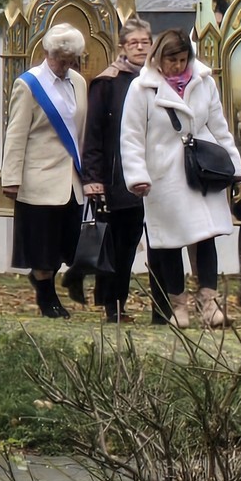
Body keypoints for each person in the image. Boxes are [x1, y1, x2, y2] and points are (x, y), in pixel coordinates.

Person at [120, 29, 241, 328]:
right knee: (170, 240)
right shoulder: (142, 88)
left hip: (201, 170)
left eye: (183, 59)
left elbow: (219, 125)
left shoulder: (204, 81)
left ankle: (210, 304)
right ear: (158, 57)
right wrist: (136, 175)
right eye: (171, 60)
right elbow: (132, 136)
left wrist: (234, 166)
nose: (178, 66)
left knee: (205, 236)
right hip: (163, 173)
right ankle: (179, 307)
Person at [2, 23, 90, 318]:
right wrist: (10, 178)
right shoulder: (28, 84)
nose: (65, 66)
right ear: (47, 53)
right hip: (38, 178)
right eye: (60, 59)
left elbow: (81, 131)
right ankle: (46, 296)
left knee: (66, 243)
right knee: (43, 245)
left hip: (71, 179)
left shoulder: (78, 82)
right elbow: (16, 134)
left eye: (70, 60)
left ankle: (45, 281)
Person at [81, 17, 152, 322]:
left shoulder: (155, 79)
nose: (140, 47)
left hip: (153, 174)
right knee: (118, 245)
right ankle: (114, 306)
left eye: (145, 42)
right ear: (122, 47)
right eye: (134, 42)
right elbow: (94, 133)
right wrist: (93, 179)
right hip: (115, 177)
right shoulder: (107, 82)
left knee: (149, 241)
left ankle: (161, 307)